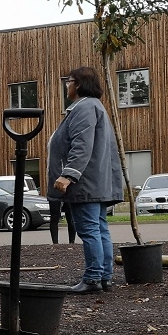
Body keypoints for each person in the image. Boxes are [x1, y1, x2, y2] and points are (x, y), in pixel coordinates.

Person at [47, 66, 123, 294]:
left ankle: (92, 279)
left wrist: (68, 175)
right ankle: (104, 277)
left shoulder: (85, 108)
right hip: (96, 182)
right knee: (99, 229)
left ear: (77, 84)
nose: (66, 86)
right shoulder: (95, 107)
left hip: (85, 184)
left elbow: (81, 145)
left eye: (68, 81)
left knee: (89, 230)